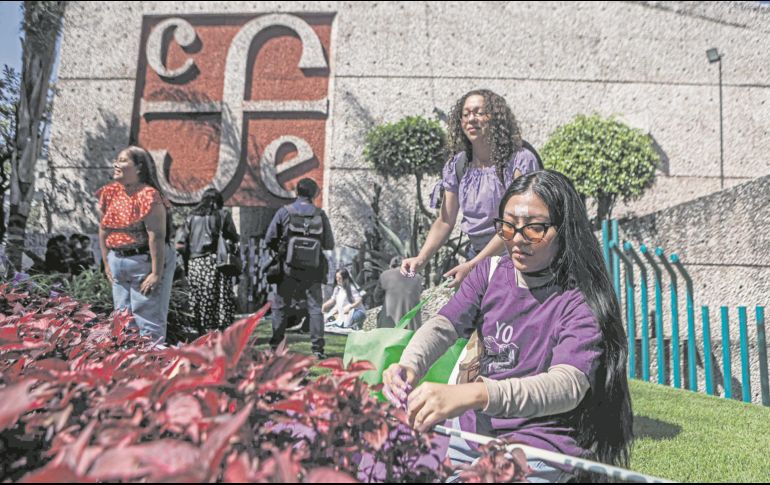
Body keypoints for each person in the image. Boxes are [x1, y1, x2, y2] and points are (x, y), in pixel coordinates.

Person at [383, 170, 633, 481]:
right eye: (508, 226)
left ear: (565, 230)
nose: (517, 239)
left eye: (534, 228)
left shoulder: (580, 300)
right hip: (473, 435)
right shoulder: (488, 273)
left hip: (538, 445)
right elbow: (443, 326)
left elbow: (566, 386)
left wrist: (474, 394)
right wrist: (408, 365)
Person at [401, 89, 540, 288]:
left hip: (517, 259)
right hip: (476, 257)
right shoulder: (458, 166)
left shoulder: (520, 161)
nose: (471, 119)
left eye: (479, 112)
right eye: (465, 114)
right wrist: (420, 259)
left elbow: (514, 223)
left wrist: (474, 266)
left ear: (495, 118)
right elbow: (445, 220)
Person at [96, 146, 176, 343]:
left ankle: (151, 367)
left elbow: (156, 235)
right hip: (118, 261)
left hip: (145, 262)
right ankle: (128, 367)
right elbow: (104, 228)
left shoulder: (149, 195)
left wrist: (156, 274)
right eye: (116, 159)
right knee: (122, 320)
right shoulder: (110, 192)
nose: (116, 164)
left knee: (148, 322)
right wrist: (107, 263)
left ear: (139, 168)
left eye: (123, 160)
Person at [265, 178, 335, 359]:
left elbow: (269, 238)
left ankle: (275, 348)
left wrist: (283, 251)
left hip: (288, 268)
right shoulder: (320, 214)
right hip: (314, 269)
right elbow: (329, 244)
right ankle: (317, 349)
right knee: (314, 308)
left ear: (297, 192)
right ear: (314, 194)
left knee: (280, 306)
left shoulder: (284, 212)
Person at [176, 188, 240, 332]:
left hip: (195, 264)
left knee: (198, 298)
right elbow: (233, 237)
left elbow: (180, 244)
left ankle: (201, 330)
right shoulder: (223, 215)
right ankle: (219, 331)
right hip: (217, 262)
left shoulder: (191, 217)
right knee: (220, 299)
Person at [375, 256, 423, 330]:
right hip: (414, 327)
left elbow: (376, 298)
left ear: (391, 266)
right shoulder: (418, 277)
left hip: (390, 328)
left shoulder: (384, 275)